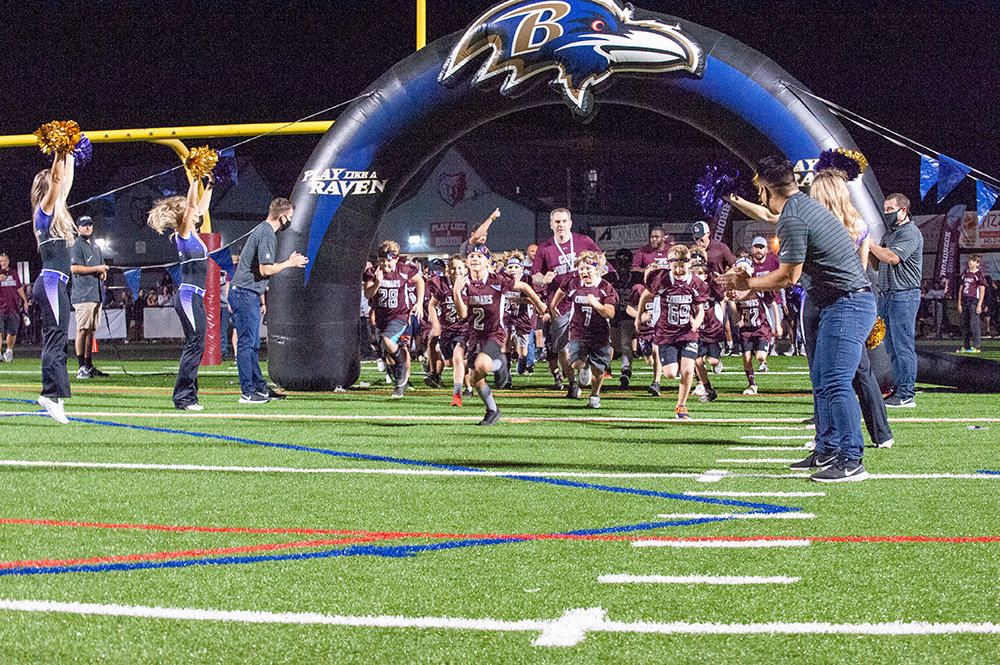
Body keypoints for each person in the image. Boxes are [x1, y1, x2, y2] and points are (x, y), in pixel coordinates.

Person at [719, 156, 875, 482]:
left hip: (848, 304)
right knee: (822, 380)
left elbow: (788, 277)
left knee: (834, 381)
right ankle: (828, 447)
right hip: (837, 302)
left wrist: (745, 283)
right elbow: (767, 215)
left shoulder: (793, 217)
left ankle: (851, 458)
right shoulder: (801, 205)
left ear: (765, 188)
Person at [809, 166, 894, 449]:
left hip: (830, 301)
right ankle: (881, 433)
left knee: (828, 375)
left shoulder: (818, 225)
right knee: (859, 370)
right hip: (856, 298)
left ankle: (832, 440)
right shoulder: (859, 224)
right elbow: (861, 270)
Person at [454, 244, 546, 425]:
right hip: (475, 335)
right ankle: (493, 410)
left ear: (488, 262)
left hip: (494, 333)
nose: (474, 259)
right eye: (471, 256)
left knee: (481, 364)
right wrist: (456, 292)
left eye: (479, 257)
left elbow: (525, 287)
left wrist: (539, 305)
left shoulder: (497, 280)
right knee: (475, 379)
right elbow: (463, 314)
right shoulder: (464, 283)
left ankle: (500, 364)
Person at [229, 197, 308, 404]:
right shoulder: (267, 234)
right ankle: (248, 392)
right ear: (282, 217)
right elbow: (265, 269)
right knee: (247, 345)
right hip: (244, 293)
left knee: (253, 345)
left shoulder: (262, 230)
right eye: (289, 217)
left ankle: (259, 389)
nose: (289, 221)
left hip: (249, 292)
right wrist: (289, 263)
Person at [146, 173, 214, 410]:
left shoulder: (193, 232)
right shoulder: (183, 234)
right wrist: (194, 179)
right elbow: (192, 208)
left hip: (194, 297)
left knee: (198, 343)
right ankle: (184, 398)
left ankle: (188, 396)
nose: (195, 212)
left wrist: (210, 184)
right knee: (195, 344)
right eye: (190, 210)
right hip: (187, 296)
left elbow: (200, 207)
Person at [531, 208, 602, 390]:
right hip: (559, 302)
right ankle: (572, 383)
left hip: (583, 298)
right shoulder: (544, 248)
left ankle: (584, 363)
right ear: (551, 225)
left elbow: (601, 259)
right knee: (562, 347)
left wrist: (596, 279)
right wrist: (544, 279)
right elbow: (535, 276)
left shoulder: (583, 241)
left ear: (570, 223)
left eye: (564, 221)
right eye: (557, 222)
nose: (560, 225)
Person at [31, 151, 77, 423]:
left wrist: (69, 151)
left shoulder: (55, 211)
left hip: (54, 284)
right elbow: (59, 179)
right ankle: (49, 394)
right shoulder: (43, 211)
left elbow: (65, 179)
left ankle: (56, 396)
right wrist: (59, 152)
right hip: (50, 283)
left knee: (60, 341)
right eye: (54, 184)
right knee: (55, 339)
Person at [638, 244, 706, 419]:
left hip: (687, 332)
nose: (678, 270)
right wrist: (639, 317)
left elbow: (700, 309)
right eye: (675, 266)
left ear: (689, 263)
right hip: (666, 332)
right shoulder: (661, 279)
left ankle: (681, 406)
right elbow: (645, 296)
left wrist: (697, 322)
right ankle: (676, 358)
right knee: (669, 374)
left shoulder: (696, 283)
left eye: (682, 266)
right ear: (669, 264)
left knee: (688, 370)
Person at [869, 192, 923, 407]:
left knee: (903, 345)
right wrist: (869, 250)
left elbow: (892, 257)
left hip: (904, 294)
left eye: (890, 209)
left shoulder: (910, 233)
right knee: (891, 346)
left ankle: (907, 393)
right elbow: (877, 264)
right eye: (885, 209)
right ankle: (899, 388)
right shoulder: (891, 234)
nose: (886, 213)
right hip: (888, 294)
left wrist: (870, 244)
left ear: (903, 210)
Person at [550, 250, 618, 408]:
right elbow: (562, 290)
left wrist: (596, 304)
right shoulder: (573, 282)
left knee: (599, 370)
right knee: (575, 364)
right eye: (581, 269)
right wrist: (553, 305)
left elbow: (610, 313)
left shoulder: (605, 287)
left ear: (596, 269)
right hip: (578, 331)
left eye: (588, 268)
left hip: (599, 334)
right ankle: (585, 364)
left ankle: (595, 395)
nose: (584, 272)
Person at [363, 241, 424, 398]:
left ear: (396, 259)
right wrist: (377, 282)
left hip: (400, 316)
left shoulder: (404, 270)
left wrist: (419, 302)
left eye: (389, 261)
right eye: (382, 261)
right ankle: (400, 381)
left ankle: (402, 370)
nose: (385, 264)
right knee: (385, 350)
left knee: (388, 341)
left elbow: (420, 281)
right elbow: (368, 294)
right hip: (382, 318)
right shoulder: (372, 272)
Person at [69, 215, 109, 378]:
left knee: (91, 331)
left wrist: (102, 273)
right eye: (84, 225)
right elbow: (74, 268)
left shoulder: (95, 246)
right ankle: (81, 367)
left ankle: (89, 365)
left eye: (90, 225)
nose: (87, 228)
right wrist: (96, 268)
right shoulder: (76, 245)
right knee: (82, 330)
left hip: (95, 293)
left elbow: (100, 267)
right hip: (83, 294)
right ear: (78, 228)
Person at [428, 255, 470, 406]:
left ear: (465, 270)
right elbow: (432, 305)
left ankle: (457, 394)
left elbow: (465, 313)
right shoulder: (443, 285)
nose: (456, 271)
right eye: (453, 268)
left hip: (464, 329)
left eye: (460, 268)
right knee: (450, 363)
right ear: (447, 270)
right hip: (447, 329)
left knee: (458, 356)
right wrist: (436, 324)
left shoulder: (470, 285)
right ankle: (468, 386)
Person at [730, 258, 773, 395]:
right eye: (739, 268)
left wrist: (777, 323)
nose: (743, 271)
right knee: (746, 359)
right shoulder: (735, 289)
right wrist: (732, 302)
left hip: (761, 328)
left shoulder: (759, 286)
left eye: (746, 268)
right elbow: (735, 315)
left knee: (760, 356)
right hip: (747, 330)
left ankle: (763, 361)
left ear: (752, 269)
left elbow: (771, 302)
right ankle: (752, 384)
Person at [0, 251, 29, 362]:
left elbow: (19, 288)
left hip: (13, 307)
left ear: (8, 261)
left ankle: (9, 352)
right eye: (1, 261)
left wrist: (25, 301)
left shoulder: (13, 273)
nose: (3, 263)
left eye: (4, 260)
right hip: (0, 307)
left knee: (12, 331)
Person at [957, 254, 987, 353]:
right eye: (970, 260)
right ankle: (966, 346)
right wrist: (959, 303)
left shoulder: (979, 275)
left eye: (973, 261)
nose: (971, 262)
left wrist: (979, 304)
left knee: (974, 324)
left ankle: (977, 346)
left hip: (974, 301)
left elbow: (982, 290)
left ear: (977, 264)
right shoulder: (965, 273)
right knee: (964, 324)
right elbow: (961, 289)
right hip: (965, 300)